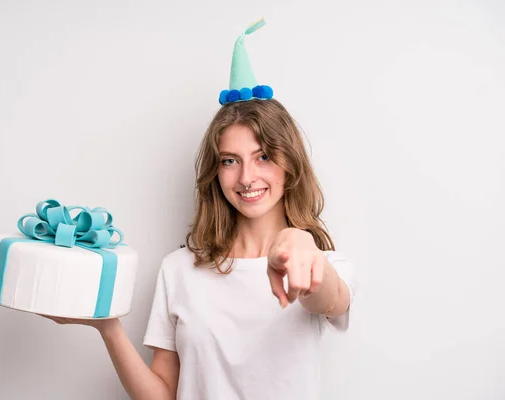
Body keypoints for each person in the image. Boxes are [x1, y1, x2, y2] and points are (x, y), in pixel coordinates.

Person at [43, 18, 356, 400]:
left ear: (289, 164)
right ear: (215, 172)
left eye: (263, 157)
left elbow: (327, 296)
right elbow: (162, 395)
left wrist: (300, 242)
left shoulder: (321, 265)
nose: (246, 177)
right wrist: (108, 327)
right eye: (229, 161)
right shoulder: (179, 270)